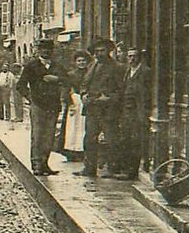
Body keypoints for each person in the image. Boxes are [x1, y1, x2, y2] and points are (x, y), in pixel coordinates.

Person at [76, 38, 123, 179]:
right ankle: (89, 168)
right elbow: (84, 83)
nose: (99, 54)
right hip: (92, 108)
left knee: (111, 139)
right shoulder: (92, 66)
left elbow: (122, 90)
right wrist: (83, 94)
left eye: (102, 51)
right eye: (96, 51)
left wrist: (109, 98)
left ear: (109, 51)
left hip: (108, 109)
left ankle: (112, 168)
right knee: (89, 139)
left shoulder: (117, 68)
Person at [17, 40, 62, 176]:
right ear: (39, 50)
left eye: (49, 49)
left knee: (49, 136)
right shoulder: (32, 66)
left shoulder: (57, 66)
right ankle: (36, 164)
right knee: (37, 135)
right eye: (43, 49)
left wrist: (57, 79)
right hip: (38, 104)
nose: (46, 51)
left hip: (53, 105)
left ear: (52, 51)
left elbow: (67, 79)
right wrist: (30, 98)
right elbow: (21, 85)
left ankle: (45, 164)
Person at [117, 48, 151, 180]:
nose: (131, 59)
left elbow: (147, 93)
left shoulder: (145, 72)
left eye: (134, 56)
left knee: (136, 141)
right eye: (129, 56)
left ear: (139, 57)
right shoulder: (127, 71)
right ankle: (127, 169)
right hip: (127, 112)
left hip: (138, 112)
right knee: (126, 140)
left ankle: (133, 171)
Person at [59, 50, 90, 160]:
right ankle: (71, 151)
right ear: (75, 62)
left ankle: (83, 151)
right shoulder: (71, 74)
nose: (81, 63)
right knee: (72, 127)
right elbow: (65, 89)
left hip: (87, 101)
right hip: (74, 101)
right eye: (79, 61)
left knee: (84, 126)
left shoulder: (91, 73)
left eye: (83, 61)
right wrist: (69, 103)